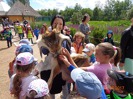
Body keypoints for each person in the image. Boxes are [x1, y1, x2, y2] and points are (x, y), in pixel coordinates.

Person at [40, 15, 71, 99]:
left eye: (60, 23)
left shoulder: (66, 38)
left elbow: (69, 52)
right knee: (51, 86)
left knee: (64, 85)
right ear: (52, 24)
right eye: (55, 23)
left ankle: (65, 97)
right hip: (51, 65)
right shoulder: (47, 36)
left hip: (62, 65)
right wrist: (50, 46)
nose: (58, 25)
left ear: (63, 25)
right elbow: (44, 51)